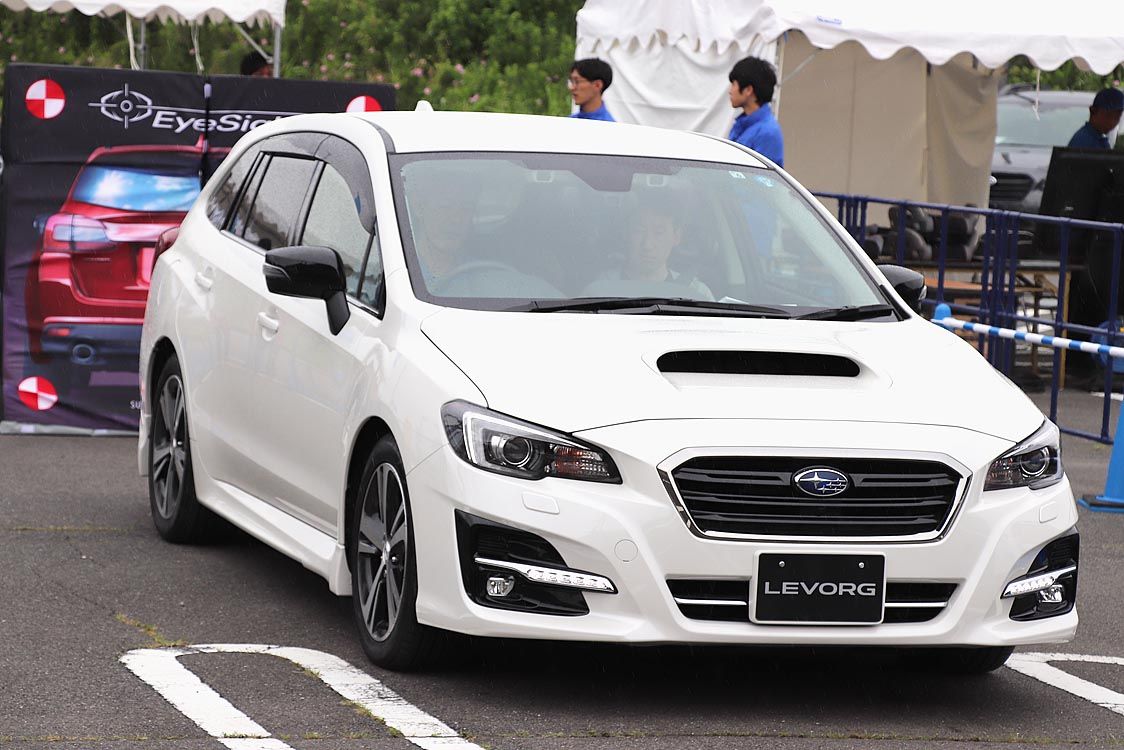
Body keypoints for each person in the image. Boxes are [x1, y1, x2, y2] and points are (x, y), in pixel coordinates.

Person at [596, 200, 713, 300]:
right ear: (626, 233)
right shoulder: (600, 292)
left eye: (659, 233)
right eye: (639, 231)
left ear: (676, 237)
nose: (647, 245)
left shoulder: (698, 295)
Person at [727, 56, 784, 167]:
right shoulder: (742, 124)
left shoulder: (767, 132)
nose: (730, 91)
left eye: (734, 84)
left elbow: (761, 176)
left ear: (748, 90)